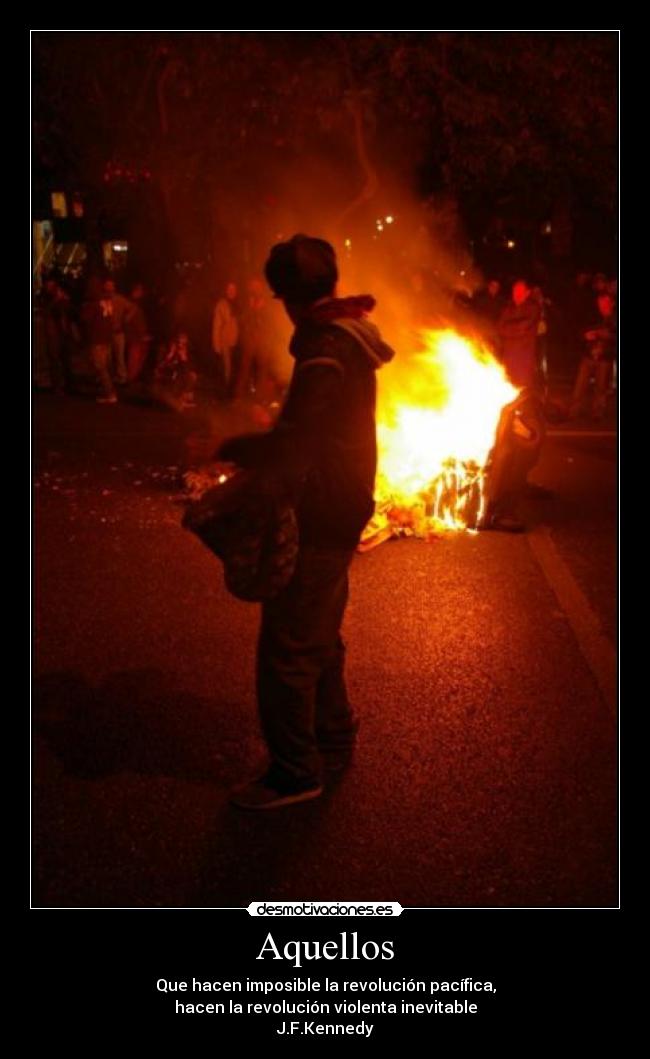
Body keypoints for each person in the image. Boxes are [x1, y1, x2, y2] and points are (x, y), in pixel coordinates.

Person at [218, 234, 395, 810]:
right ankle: (333, 735)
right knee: (319, 630)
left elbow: (299, 439)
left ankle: (295, 772)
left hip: (323, 508)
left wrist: (237, 448)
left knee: (288, 645)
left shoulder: (323, 344)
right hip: (345, 504)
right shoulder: (345, 333)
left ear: (287, 296)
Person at [569, 292, 617, 420]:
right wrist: (586, 336)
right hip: (588, 355)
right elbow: (581, 331)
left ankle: (598, 412)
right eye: (600, 303)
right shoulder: (592, 317)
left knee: (601, 387)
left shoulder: (615, 319)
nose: (602, 306)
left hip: (605, 357)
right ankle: (574, 410)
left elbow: (614, 337)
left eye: (605, 303)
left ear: (612, 303)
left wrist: (606, 336)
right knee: (580, 385)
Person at [497, 278, 542, 389]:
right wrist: (513, 329)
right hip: (508, 356)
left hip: (523, 359)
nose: (516, 294)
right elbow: (499, 327)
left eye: (519, 291)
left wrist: (508, 329)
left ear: (527, 293)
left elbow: (523, 327)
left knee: (522, 390)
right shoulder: (508, 307)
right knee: (507, 387)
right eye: (514, 291)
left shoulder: (533, 307)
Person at [82, 277, 117, 403]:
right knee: (105, 367)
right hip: (106, 338)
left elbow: (85, 318)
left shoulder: (95, 303)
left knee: (100, 367)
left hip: (97, 339)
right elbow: (110, 320)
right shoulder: (108, 302)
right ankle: (105, 390)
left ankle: (110, 393)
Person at [103, 278, 135, 386]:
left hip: (118, 332)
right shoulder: (102, 300)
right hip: (106, 333)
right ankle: (110, 376)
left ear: (114, 287)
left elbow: (132, 308)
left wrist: (126, 319)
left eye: (111, 286)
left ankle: (122, 377)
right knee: (108, 357)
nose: (109, 288)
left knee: (119, 356)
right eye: (107, 285)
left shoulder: (119, 299)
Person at [211, 281, 239, 397]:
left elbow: (237, 324)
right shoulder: (221, 304)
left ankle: (228, 391)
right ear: (226, 290)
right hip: (224, 340)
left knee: (231, 367)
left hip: (234, 340)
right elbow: (216, 325)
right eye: (229, 289)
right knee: (225, 368)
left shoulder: (237, 304)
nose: (231, 292)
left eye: (233, 289)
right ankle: (223, 393)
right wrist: (216, 344)